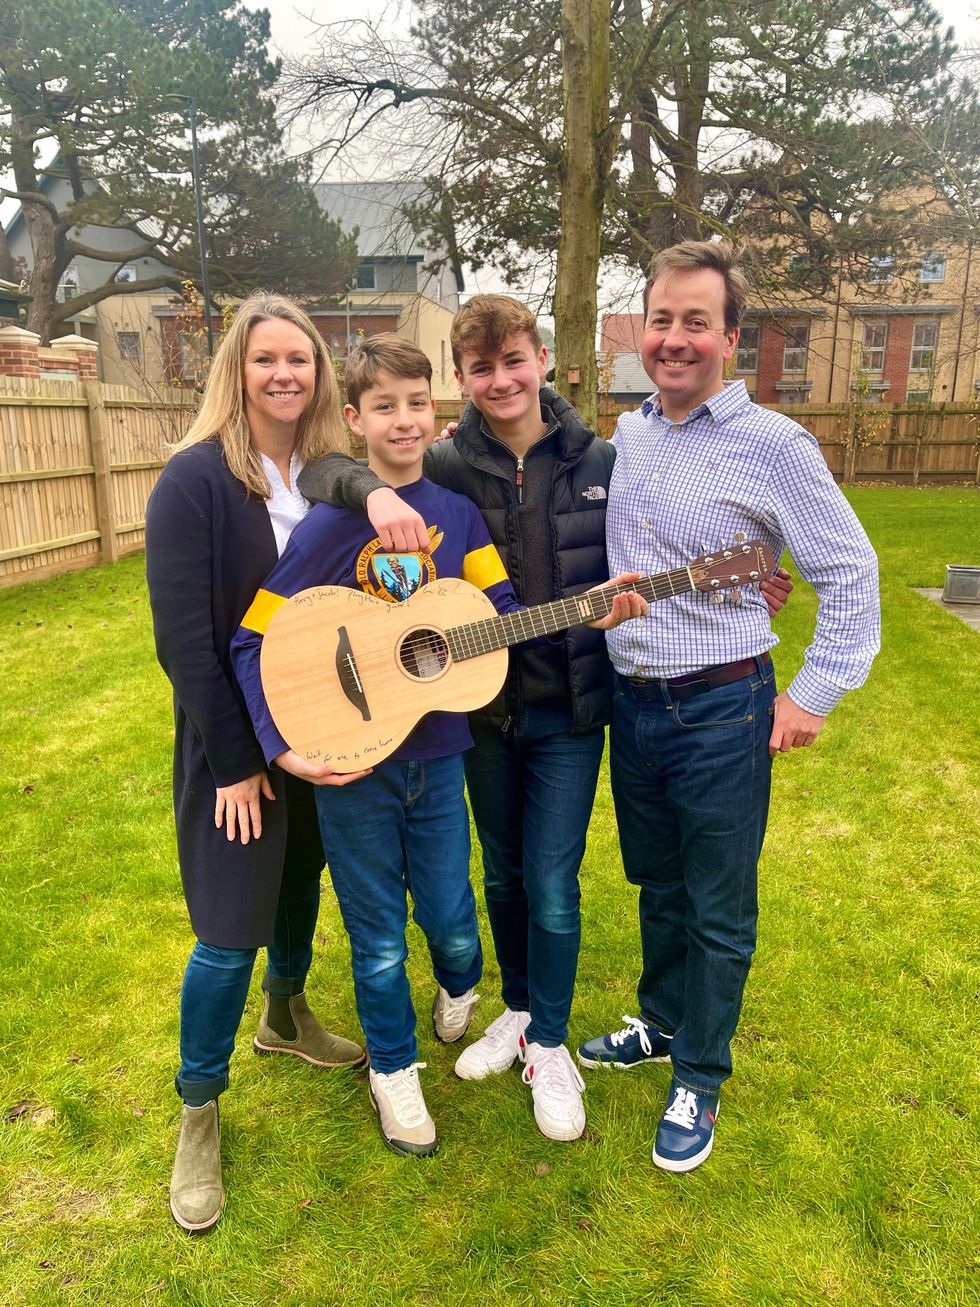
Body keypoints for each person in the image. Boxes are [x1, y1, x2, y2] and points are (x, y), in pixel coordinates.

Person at [297, 297, 793, 1144]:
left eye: (515, 361)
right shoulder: (445, 464)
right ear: (463, 378)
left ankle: (553, 1044)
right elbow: (325, 476)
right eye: (482, 368)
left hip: (570, 707)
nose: (501, 380)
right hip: (474, 712)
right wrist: (371, 499)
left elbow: (667, 535)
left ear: (545, 361)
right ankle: (518, 1011)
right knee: (503, 876)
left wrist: (737, 576)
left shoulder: (610, 456)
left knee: (555, 886)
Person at [231, 334, 643, 1156]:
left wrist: (579, 610)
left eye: (417, 403)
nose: (404, 419)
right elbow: (254, 637)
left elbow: (498, 609)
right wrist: (279, 744)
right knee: (378, 936)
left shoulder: (455, 514)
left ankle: (462, 985)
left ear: (438, 411)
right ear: (353, 419)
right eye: (383, 406)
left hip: (440, 759)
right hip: (354, 770)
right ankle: (393, 1069)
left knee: (457, 925)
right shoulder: (331, 522)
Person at [575, 239, 881, 1173]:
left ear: (730, 336)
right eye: (661, 320)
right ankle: (663, 1023)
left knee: (717, 905)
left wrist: (812, 694)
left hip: (724, 710)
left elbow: (852, 573)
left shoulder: (774, 445)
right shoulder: (628, 436)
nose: (674, 340)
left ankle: (699, 1078)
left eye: (695, 323)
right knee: (658, 884)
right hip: (635, 706)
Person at [145, 294, 366, 1233]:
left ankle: (286, 1016)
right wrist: (241, 762)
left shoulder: (322, 477)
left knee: (295, 889)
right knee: (228, 929)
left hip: (319, 734)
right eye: (266, 358)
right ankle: (199, 1109)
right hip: (233, 747)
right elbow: (184, 641)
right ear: (236, 369)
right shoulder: (194, 480)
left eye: (302, 360)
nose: (285, 374)